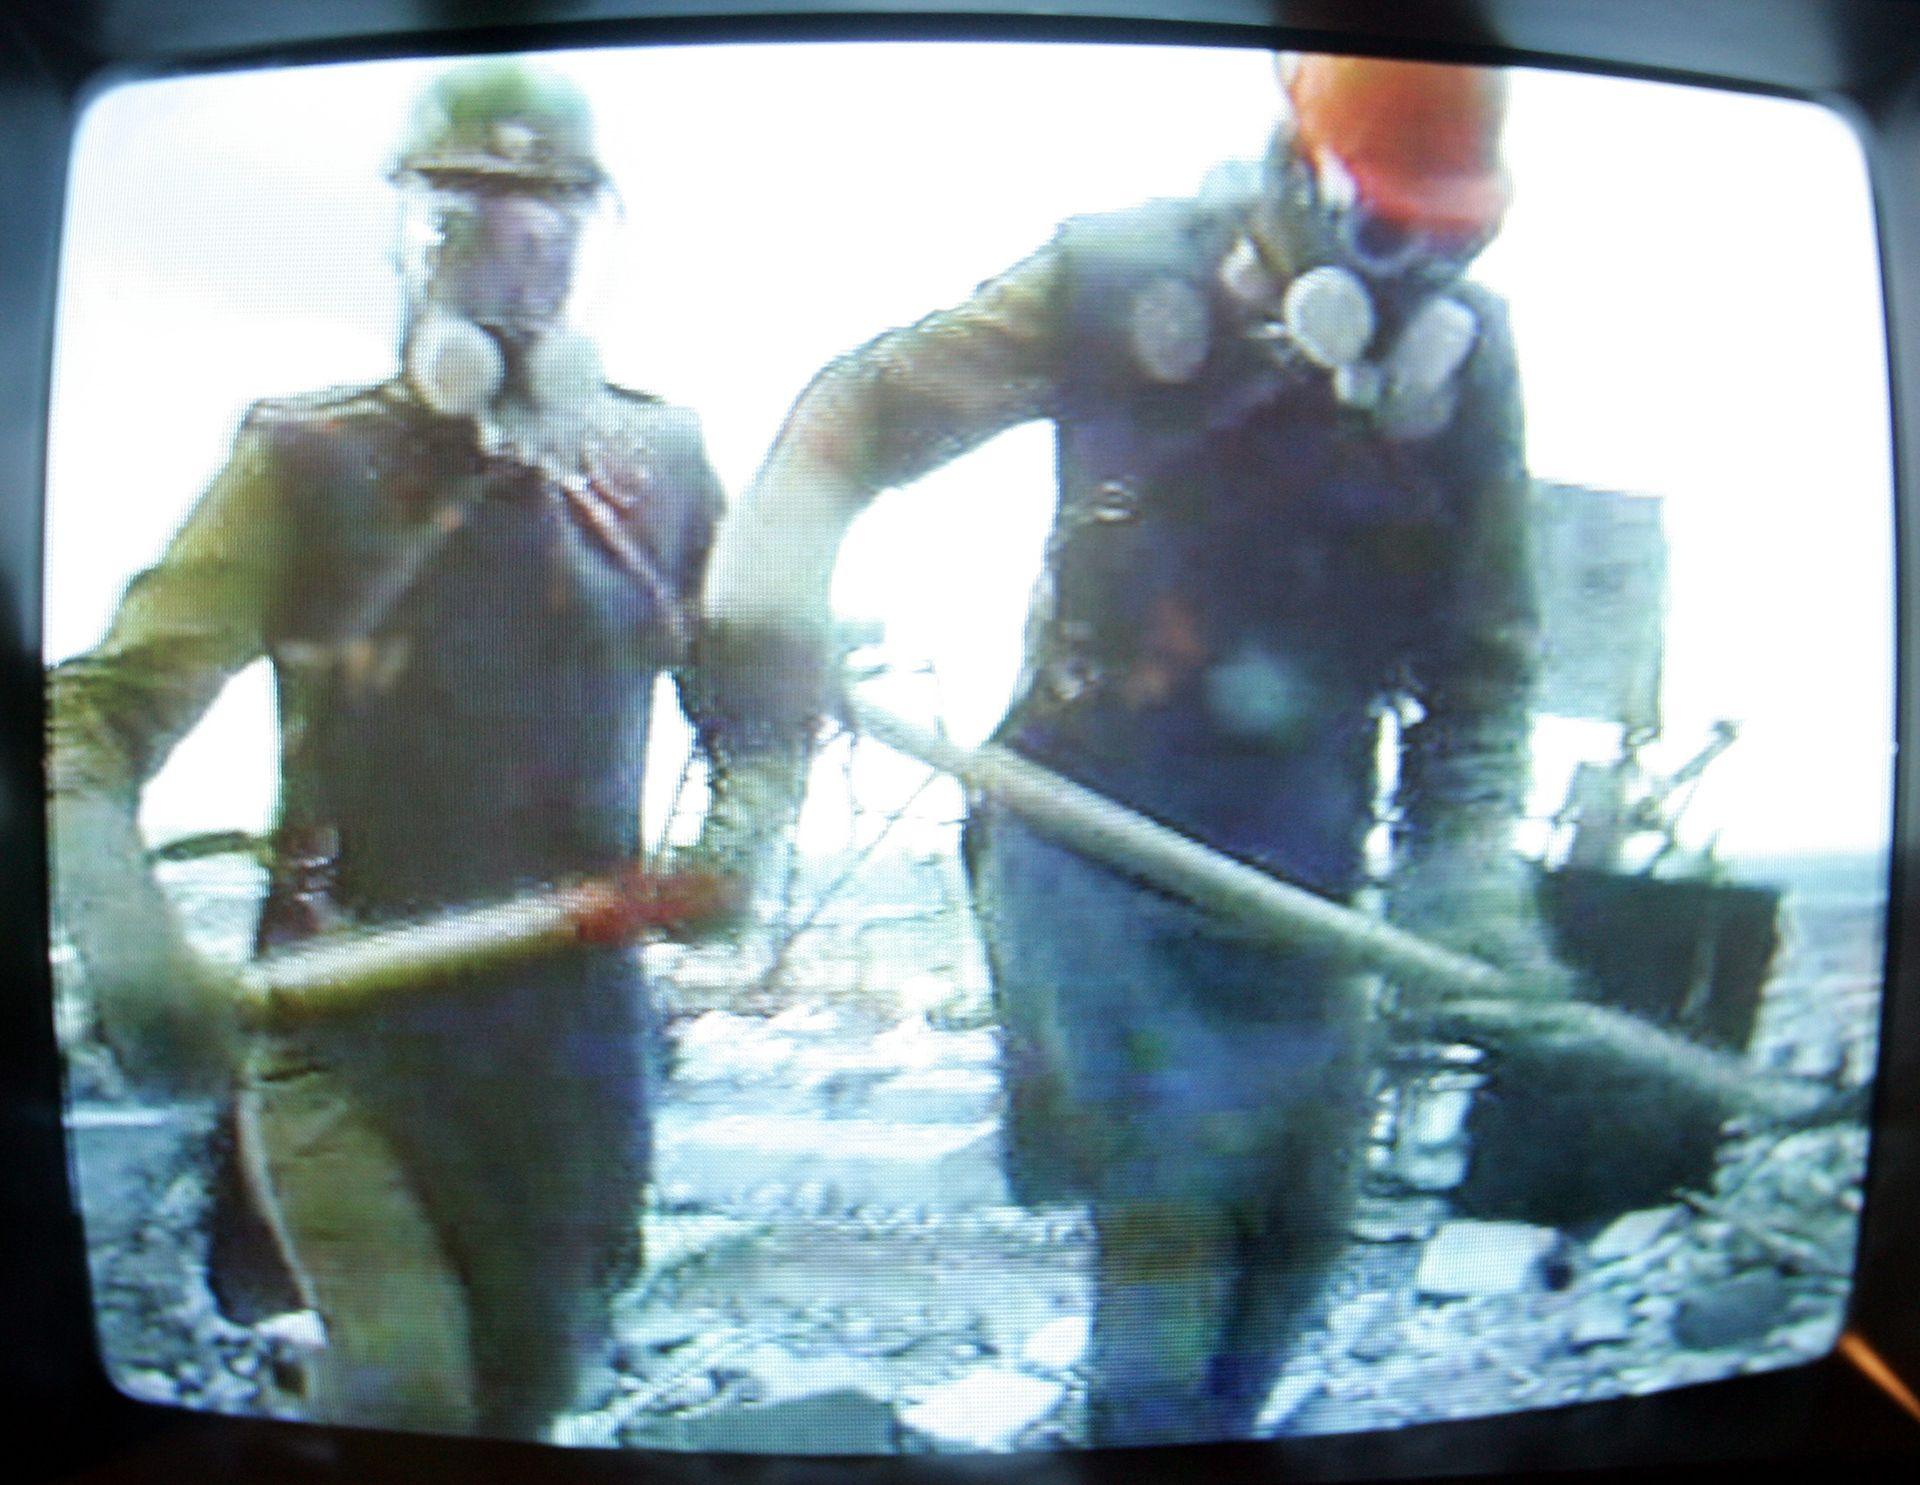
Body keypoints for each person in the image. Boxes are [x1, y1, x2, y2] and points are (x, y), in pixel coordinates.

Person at [692, 54, 1559, 1445]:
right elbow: (857, 410)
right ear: (1301, 173)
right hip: (1084, 832)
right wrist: (770, 592)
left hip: (1299, 873)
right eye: (1392, 235)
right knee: (1173, 1196)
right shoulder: (1109, 280)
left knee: (1293, 1244)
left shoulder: (1468, 368)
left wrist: (1466, 852)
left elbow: (1483, 657)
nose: (1415, 285)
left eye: (1453, 244)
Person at [48, 61, 724, 1439]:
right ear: (403, 233)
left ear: (594, 237)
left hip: (571, 1052)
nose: (506, 262)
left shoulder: (660, 463)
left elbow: (754, 699)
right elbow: (97, 713)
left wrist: (752, 826)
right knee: (416, 1396)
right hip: (345, 1027)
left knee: (527, 1403)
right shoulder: (304, 464)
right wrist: (124, 928)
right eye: (462, 217)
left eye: (544, 223)